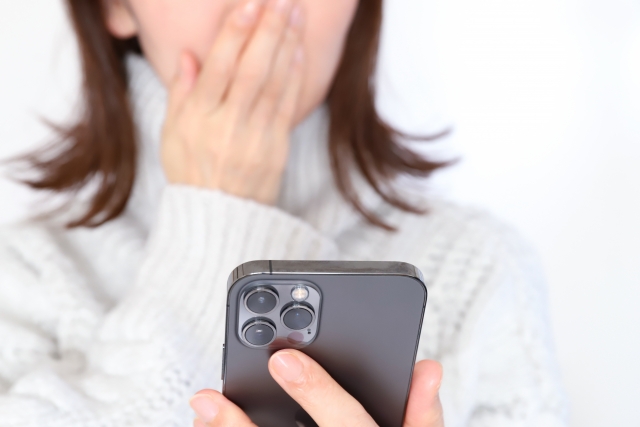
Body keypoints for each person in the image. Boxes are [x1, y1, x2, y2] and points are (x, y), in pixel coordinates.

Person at [0, 0, 568, 425]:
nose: (264, 6)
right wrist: (217, 222)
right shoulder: (21, 277)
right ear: (115, 7)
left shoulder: (481, 271)